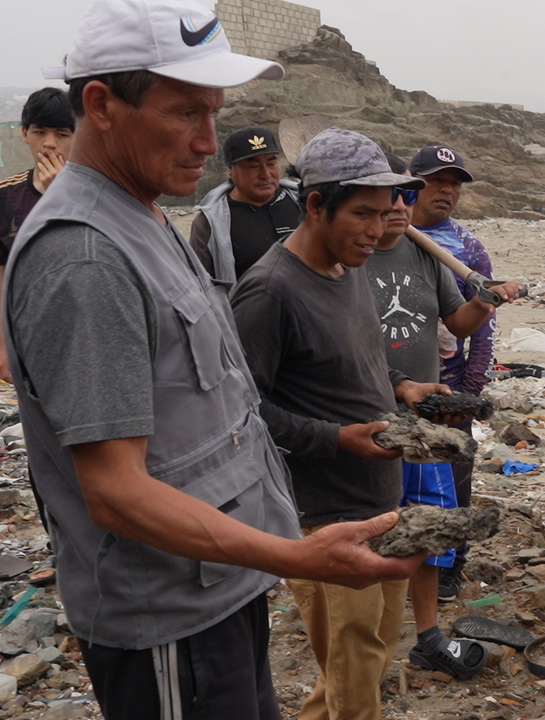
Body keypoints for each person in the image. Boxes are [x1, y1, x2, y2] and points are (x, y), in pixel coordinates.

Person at [4, 2, 422, 718]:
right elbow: (115, 490)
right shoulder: (87, 257)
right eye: (186, 113)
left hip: (219, 584)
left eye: (215, 113)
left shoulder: (141, 213)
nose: (209, 142)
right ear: (101, 105)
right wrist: (297, 557)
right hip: (169, 620)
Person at [231, 128, 492, 720]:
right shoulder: (270, 292)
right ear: (316, 205)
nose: (378, 231)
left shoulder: (349, 270)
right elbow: (240, 413)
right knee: (354, 685)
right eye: (363, 214)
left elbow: (360, 363)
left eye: (387, 213)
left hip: (381, 501)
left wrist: (406, 390)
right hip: (325, 521)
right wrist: (335, 438)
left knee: (368, 659)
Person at [366, 152, 521, 676]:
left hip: (425, 417)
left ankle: (428, 634)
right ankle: (369, 636)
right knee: (374, 523)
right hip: (368, 415)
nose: (402, 208)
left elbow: (458, 322)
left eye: (407, 197)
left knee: (429, 522)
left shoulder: (426, 255)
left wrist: (487, 302)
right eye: (396, 197)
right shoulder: (351, 258)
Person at [406, 143, 501, 602]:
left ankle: (449, 565)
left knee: (453, 479)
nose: (446, 192)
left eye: (454, 185)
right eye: (435, 182)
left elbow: (483, 325)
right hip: (394, 381)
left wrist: (469, 386)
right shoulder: (385, 234)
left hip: (449, 381)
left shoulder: (467, 248)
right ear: (412, 184)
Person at [0, 88, 75, 383]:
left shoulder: (99, 194)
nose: (49, 144)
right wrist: (3, 345)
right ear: (24, 133)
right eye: (39, 131)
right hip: (28, 333)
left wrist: (61, 195)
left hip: (86, 330)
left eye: (62, 134)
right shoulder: (6, 197)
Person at [189, 125, 301, 282]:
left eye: (271, 163)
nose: (265, 174)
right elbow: (199, 284)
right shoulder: (210, 223)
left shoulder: (305, 204)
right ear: (230, 170)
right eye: (253, 166)